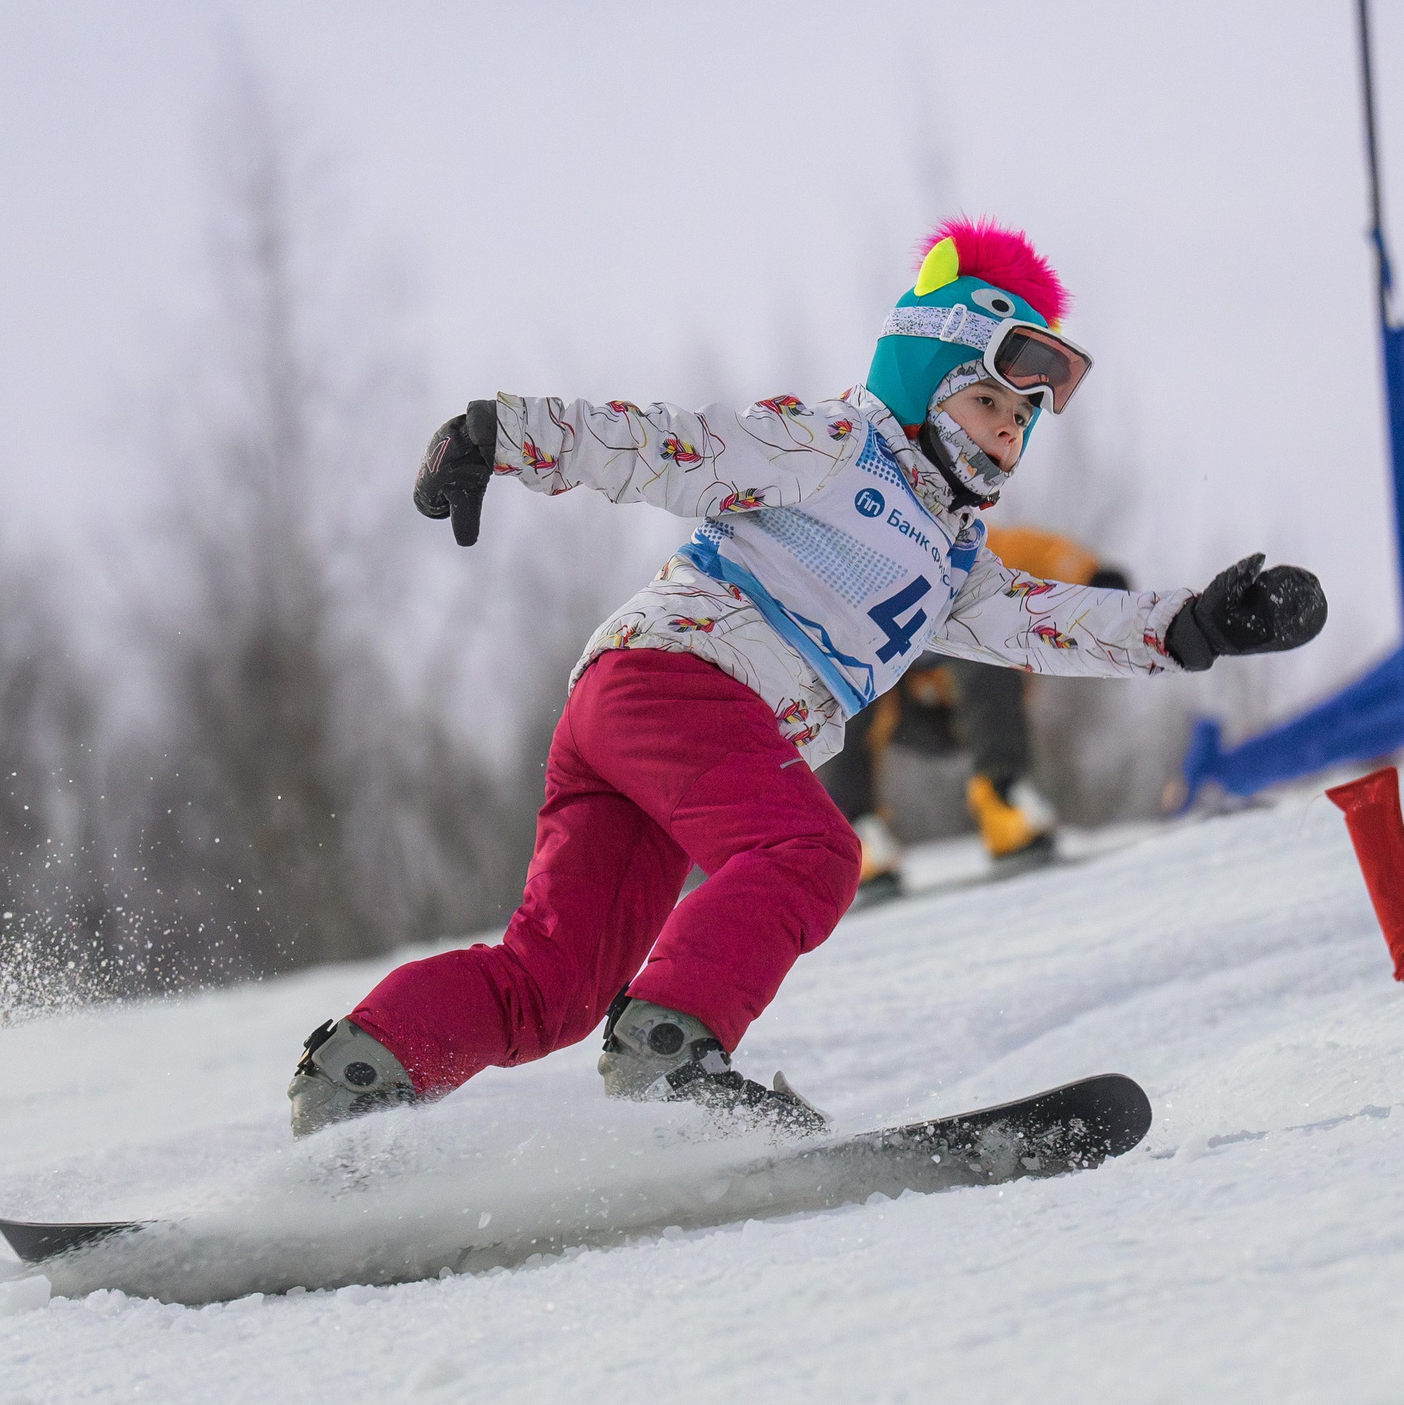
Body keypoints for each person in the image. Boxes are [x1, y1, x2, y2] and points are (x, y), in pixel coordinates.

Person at [287, 221, 1328, 1137]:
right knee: (809, 849)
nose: (1006, 436)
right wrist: (496, 436)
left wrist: (1192, 627)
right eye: (985, 404)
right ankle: (669, 1053)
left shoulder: (953, 559)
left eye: (1021, 423)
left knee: (557, 981)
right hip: (674, 680)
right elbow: (669, 448)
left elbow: (1046, 622)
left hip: (638, 728)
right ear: (924, 383)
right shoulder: (836, 446)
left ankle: (362, 1070)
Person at [822, 526, 1131, 905]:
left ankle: (1004, 796)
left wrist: (1097, 585)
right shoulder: (858, 576)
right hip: (907, 714)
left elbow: (1053, 559)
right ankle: (857, 829)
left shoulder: (986, 547)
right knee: (845, 677)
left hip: (984, 703)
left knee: (986, 636)